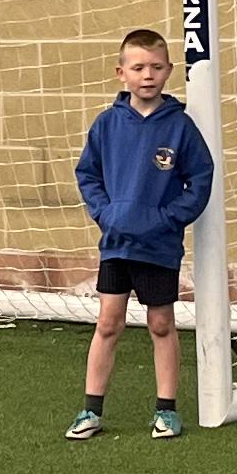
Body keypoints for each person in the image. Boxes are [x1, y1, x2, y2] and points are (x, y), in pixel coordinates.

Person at [71, 27, 214, 441]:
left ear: (168, 70)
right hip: (116, 244)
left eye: (155, 67)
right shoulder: (107, 124)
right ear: (122, 73)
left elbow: (200, 179)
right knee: (108, 323)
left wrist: (168, 218)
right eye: (138, 68)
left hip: (159, 246)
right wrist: (106, 213)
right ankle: (90, 410)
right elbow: (87, 174)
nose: (147, 75)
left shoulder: (180, 127)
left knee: (161, 324)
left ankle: (166, 410)